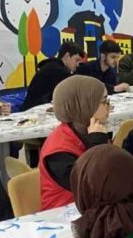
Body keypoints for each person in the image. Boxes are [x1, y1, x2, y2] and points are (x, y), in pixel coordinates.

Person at [38, 76, 111, 210]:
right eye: (104, 101)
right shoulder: (58, 151)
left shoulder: (88, 130)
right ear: (84, 105)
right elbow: (89, 185)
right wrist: (97, 142)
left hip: (91, 207)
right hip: (63, 213)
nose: (109, 107)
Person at [20, 41, 83, 111]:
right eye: (76, 60)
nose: (77, 65)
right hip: (32, 111)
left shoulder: (51, 66)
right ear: (67, 56)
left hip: (30, 108)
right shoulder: (59, 71)